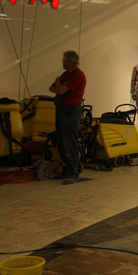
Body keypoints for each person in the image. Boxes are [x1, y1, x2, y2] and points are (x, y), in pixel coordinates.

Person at [49, 50, 86, 185]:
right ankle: (66, 168)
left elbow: (59, 90)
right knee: (60, 140)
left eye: (64, 60)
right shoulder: (66, 75)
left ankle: (73, 171)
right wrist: (58, 83)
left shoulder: (77, 76)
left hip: (71, 111)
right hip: (61, 110)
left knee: (69, 141)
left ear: (70, 62)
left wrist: (58, 82)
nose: (62, 62)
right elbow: (51, 88)